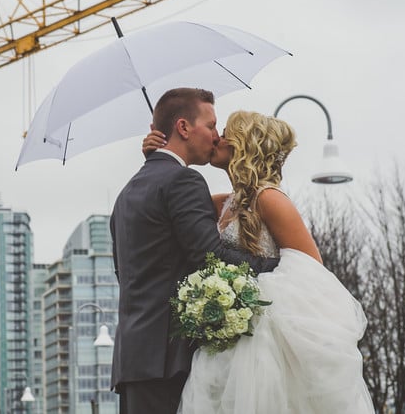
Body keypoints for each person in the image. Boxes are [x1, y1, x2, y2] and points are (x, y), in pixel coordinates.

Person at [142, 109, 374, 413]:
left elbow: (314, 278)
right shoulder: (224, 204)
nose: (217, 138)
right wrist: (158, 157)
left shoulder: (271, 200)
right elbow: (172, 197)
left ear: (245, 144)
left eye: (225, 133)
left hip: (267, 345)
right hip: (228, 343)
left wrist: (240, 295)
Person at [110, 88, 279, 414]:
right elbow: (210, 258)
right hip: (171, 359)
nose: (217, 136)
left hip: (132, 361)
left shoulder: (127, 193)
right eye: (212, 125)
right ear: (184, 128)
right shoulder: (183, 181)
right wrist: (278, 266)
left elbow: (128, 274)